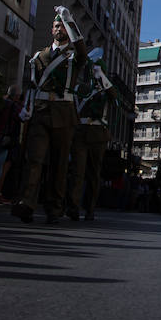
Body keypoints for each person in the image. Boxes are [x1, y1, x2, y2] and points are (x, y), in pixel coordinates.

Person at [12, 6, 88, 224]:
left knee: (59, 163)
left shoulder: (74, 57)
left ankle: (54, 207)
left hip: (64, 114)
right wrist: (27, 107)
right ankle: (26, 203)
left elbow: (82, 50)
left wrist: (69, 20)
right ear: (51, 29)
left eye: (62, 26)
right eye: (57, 26)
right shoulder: (39, 56)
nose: (59, 29)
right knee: (34, 159)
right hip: (41, 111)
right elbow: (32, 85)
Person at [66, 53, 116, 221]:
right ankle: (73, 206)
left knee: (94, 173)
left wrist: (102, 77)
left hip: (98, 133)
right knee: (77, 171)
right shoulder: (80, 88)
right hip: (81, 132)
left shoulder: (107, 90)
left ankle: (90, 208)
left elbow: (114, 97)